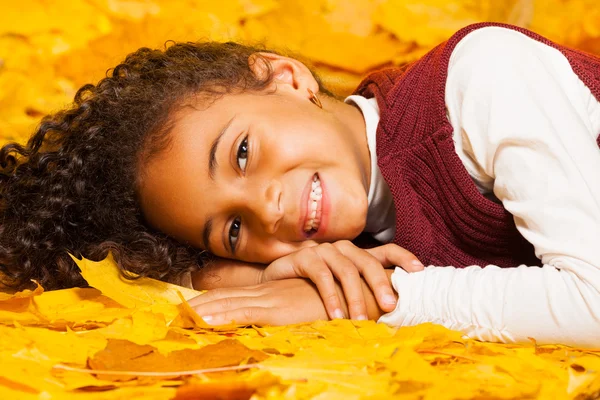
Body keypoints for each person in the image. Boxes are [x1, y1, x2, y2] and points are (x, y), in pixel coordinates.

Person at [1, 22, 599, 346]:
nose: (266, 208)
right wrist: (259, 275)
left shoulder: (481, 80)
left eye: (240, 153)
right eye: (233, 230)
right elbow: (171, 277)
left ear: (285, 78)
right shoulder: (343, 239)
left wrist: (372, 303)